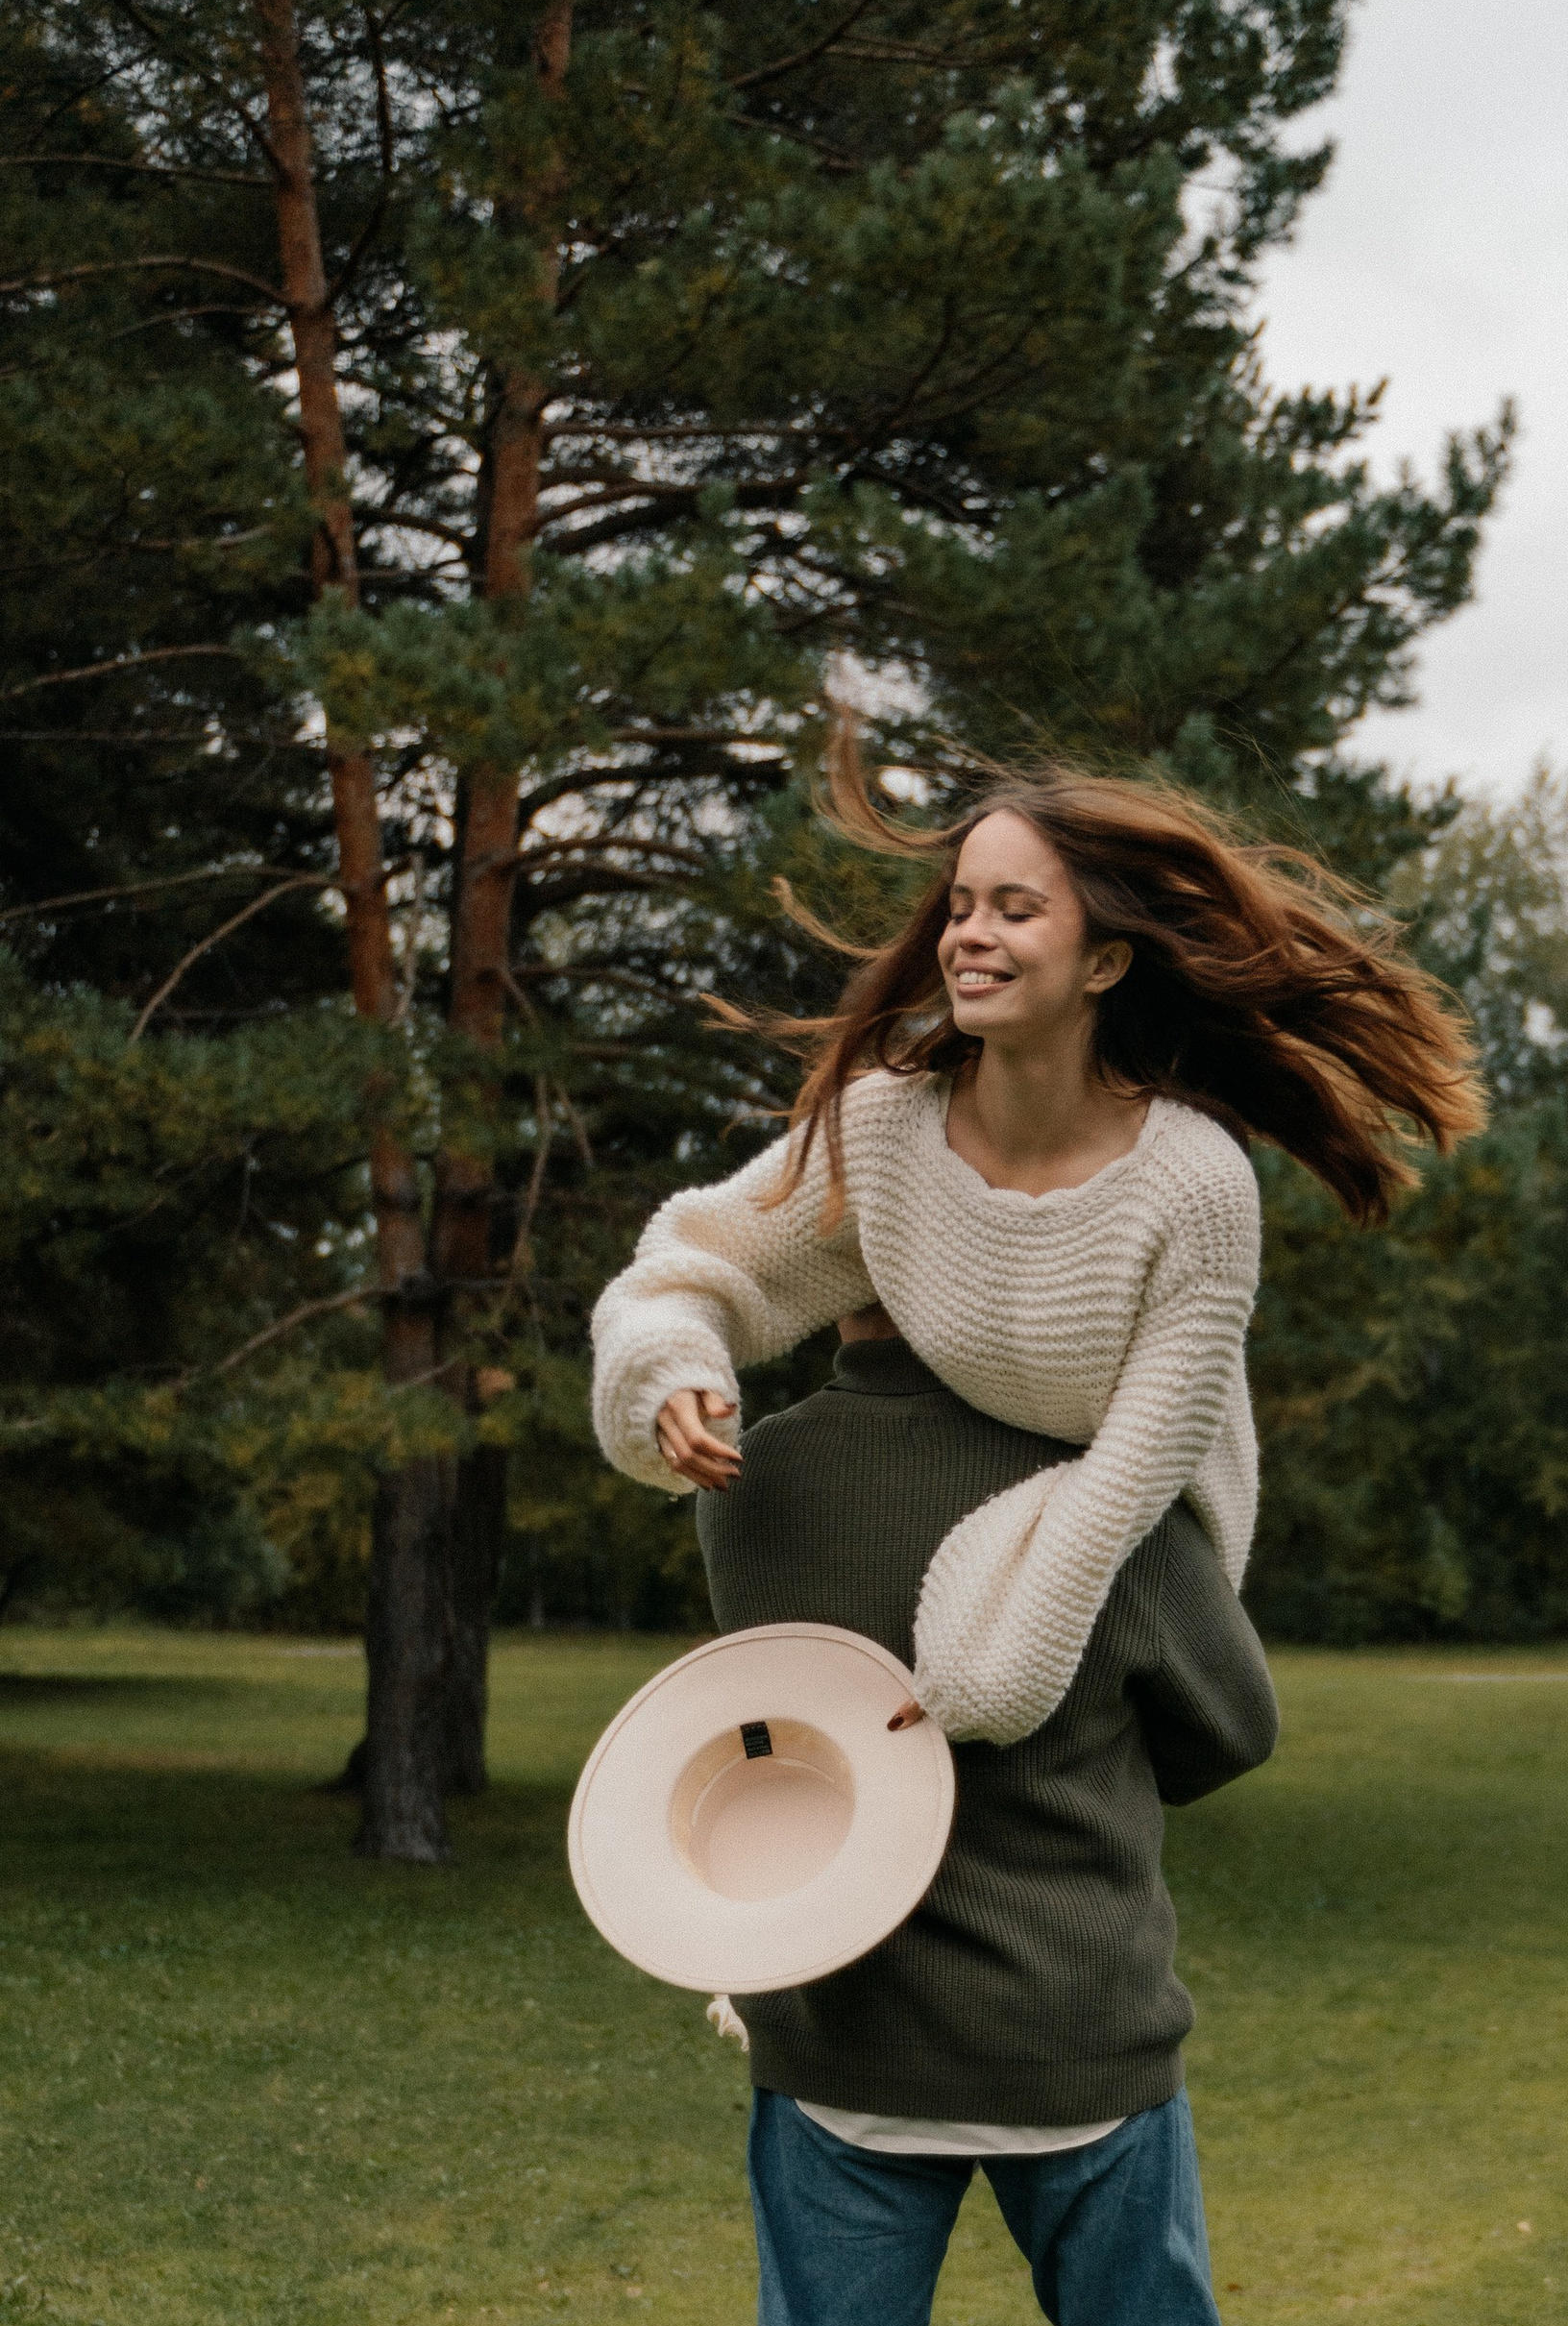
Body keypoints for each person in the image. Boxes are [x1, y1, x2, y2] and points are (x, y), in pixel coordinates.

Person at [689, 1305, 1281, 2326]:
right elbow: (1231, 1730)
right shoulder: (1105, 1479)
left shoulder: (751, 1480)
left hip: (838, 2040)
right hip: (1076, 2040)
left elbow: (774, 1718)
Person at [588, 726, 1482, 1751]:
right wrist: (669, 1368)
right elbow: (687, 1267)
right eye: (962, 906)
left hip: (1151, 1528)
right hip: (968, 1461)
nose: (969, 933)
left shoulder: (1194, 1186)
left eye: (1016, 910)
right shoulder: (887, 1127)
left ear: (1104, 960)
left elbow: (1126, 1482)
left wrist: (987, 1675)